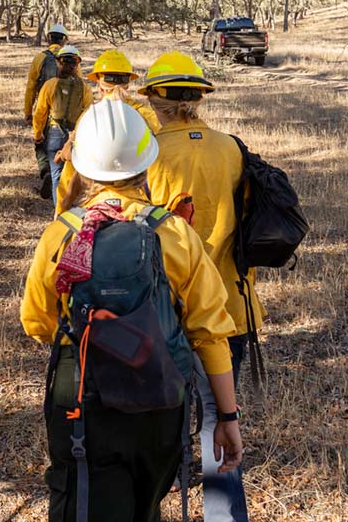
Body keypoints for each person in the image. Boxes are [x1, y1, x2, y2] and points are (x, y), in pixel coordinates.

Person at [21, 99, 243, 522]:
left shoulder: (60, 235)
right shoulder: (175, 233)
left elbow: (36, 322)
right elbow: (211, 334)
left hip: (83, 402)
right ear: (147, 164)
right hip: (159, 402)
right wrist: (228, 417)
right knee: (145, 505)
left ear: (83, 168)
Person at [137, 50, 265, 522]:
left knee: (159, 420)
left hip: (160, 310)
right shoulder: (230, 148)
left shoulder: (146, 152)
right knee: (218, 420)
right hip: (226, 307)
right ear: (197, 97)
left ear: (154, 98)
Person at [54, 49, 159, 216]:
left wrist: (61, 209)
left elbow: (72, 171)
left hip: (98, 205)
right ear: (128, 83)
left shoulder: (90, 118)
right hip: (143, 207)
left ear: (99, 85)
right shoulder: (146, 115)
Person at [32, 45, 93, 206]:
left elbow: (40, 113)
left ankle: (59, 211)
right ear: (77, 65)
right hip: (76, 135)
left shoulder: (50, 85)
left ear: (59, 63)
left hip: (54, 134)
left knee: (56, 175)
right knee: (75, 175)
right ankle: (74, 206)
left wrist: (38, 134)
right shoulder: (85, 88)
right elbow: (88, 113)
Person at [25, 24, 69, 199]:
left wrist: (28, 111)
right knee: (64, 146)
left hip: (44, 108)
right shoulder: (71, 58)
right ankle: (60, 180)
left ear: (48, 38)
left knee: (40, 144)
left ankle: (46, 173)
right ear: (64, 40)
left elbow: (31, 87)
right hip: (65, 112)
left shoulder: (39, 58)